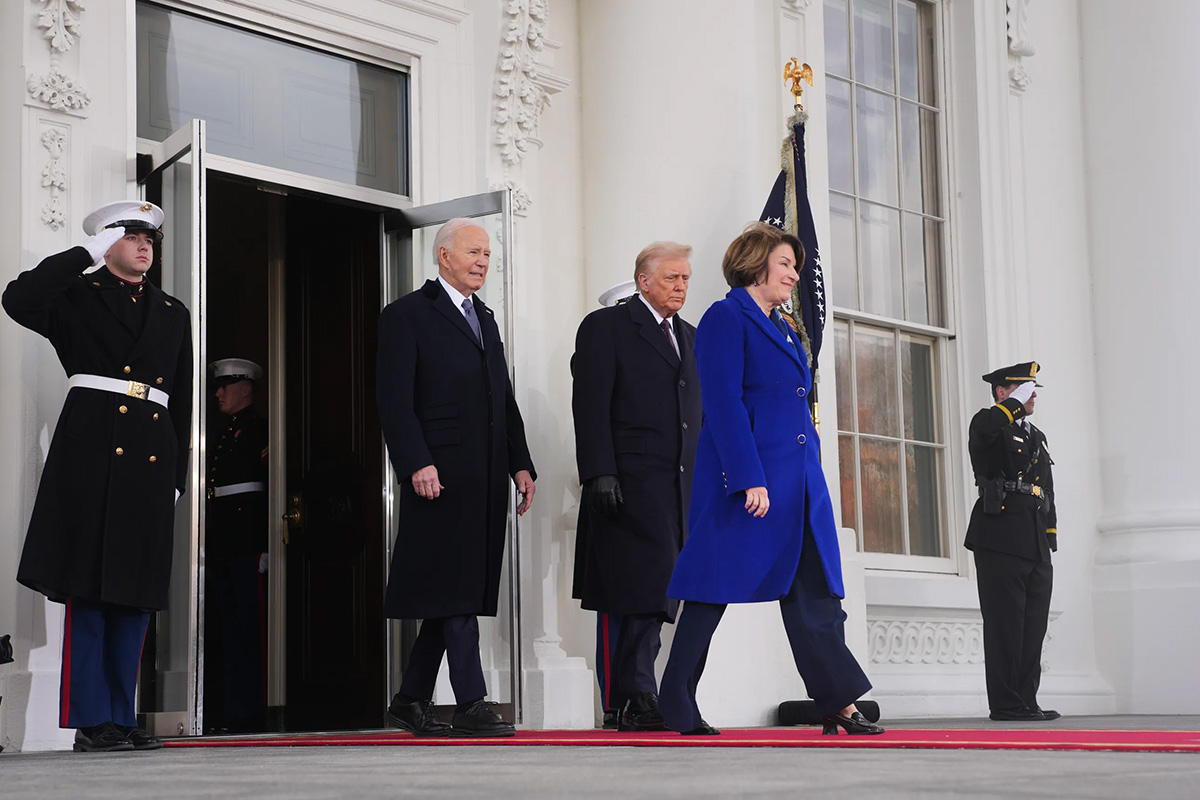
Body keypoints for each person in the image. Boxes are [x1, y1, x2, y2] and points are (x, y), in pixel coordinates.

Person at [658, 222, 883, 736]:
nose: (793, 275)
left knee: (815, 592)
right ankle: (675, 698)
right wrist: (746, 478)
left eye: (796, 267)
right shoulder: (725, 316)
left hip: (799, 484)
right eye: (785, 264)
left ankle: (837, 701)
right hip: (746, 483)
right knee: (711, 588)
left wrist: (812, 478)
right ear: (756, 263)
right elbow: (722, 402)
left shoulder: (783, 326)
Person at [2, 200, 193, 752]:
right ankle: (90, 717)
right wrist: (83, 254)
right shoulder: (74, 297)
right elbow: (17, 299)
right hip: (91, 453)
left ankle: (121, 713)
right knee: (89, 587)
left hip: (149, 461)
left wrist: (175, 476)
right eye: (130, 236)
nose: (144, 246)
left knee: (134, 593)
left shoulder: (173, 310)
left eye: (149, 239)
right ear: (106, 243)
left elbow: (179, 396)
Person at [376, 218, 536, 738]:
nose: (483, 262)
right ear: (444, 255)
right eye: (474, 252)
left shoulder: (484, 318)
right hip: (437, 474)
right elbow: (394, 401)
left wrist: (521, 462)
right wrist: (415, 461)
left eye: (487, 255)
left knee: (455, 588)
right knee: (455, 590)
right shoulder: (405, 315)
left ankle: (408, 700)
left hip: (485, 476)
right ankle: (471, 701)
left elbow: (502, 398)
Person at [571, 245, 702, 732]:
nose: (681, 286)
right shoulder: (605, 328)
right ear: (643, 281)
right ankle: (632, 696)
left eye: (686, 278)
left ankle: (637, 695)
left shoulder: (689, 337)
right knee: (635, 591)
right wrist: (598, 471)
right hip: (626, 483)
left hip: (679, 486)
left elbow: (697, 418)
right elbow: (590, 404)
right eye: (671, 277)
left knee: (663, 592)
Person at [966, 362, 1060, 722]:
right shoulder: (989, 423)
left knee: (1033, 625)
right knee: (1006, 624)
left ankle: (1026, 700)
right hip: (1000, 535)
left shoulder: (1037, 436)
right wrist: (1012, 406)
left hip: (1034, 539)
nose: (1031, 395)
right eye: (1023, 388)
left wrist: (1050, 535)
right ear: (1002, 392)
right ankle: (1005, 703)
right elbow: (987, 431)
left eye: (1032, 389)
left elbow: (1047, 490)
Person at [204, 358, 269, 733]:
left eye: (225, 386)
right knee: (225, 629)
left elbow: (266, 488)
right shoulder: (219, 432)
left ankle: (250, 711)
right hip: (222, 540)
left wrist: (263, 545)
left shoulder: (260, 431)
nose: (218, 393)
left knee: (249, 629)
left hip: (246, 542)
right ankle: (228, 711)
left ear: (245, 388)